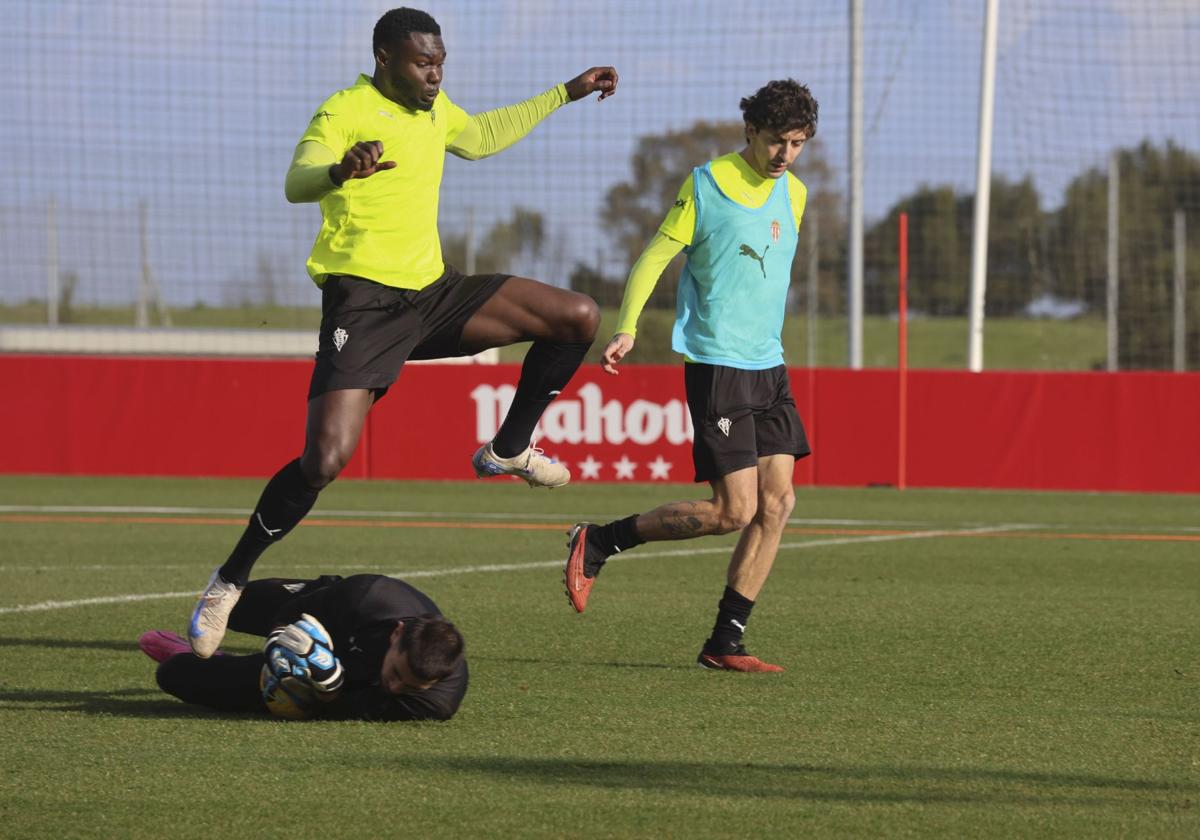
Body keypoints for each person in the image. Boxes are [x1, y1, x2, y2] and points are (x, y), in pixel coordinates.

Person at [188, 7, 619, 657]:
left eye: (441, 62)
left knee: (577, 316)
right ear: (385, 58)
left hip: (435, 295)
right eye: (423, 62)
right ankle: (228, 580)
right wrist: (339, 172)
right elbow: (296, 180)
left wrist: (566, 92)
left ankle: (508, 447)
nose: (436, 74)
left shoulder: (434, 111)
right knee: (324, 460)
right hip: (363, 307)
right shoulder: (344, 111)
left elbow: (481, 136)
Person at [563, 79, 819, 673]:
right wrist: (627, 326)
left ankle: (725, 643)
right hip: (718, 367)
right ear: (750, 131)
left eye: (799, 143)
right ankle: (600, 540)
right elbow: (655, 255)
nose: (786, 154)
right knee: (733, 511)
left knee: (777, 504)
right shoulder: (706, 184)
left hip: (769, 367)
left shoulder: (797, 195)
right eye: (777, 141)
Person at [145, 574, 467, 721]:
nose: (396, 687)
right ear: (397, 634)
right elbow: (293, 612)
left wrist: (324, 687)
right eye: (396, 672)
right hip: (329, 614)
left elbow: (341, 708)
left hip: (339, 679)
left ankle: (217, 661)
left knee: (175, 675)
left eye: (411, 687)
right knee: (231, 605)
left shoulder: (436, 701)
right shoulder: (367, 596)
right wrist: (278, 644)